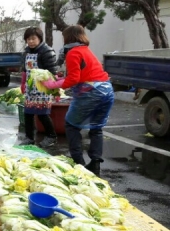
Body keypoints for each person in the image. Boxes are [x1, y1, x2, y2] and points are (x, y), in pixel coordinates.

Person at [43, 25, 114, 177]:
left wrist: (53, 84)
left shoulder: (73, 52)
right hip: (107, 90)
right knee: (96, 127)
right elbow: (84, 73)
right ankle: (95, 164)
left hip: (91, 92)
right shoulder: (86, 50)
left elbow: (74, 79)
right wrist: (62, 79)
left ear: (68, 38)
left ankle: (78, 163)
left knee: (71, 125)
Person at [20, 27, 58, 148]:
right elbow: (25, 70)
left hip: (43, 88)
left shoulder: (47, 51)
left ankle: (51, 136)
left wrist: (55, 90)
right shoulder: (26, 52)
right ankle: (29, 137)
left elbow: (53, 72)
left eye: (33, 38)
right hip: (30, 88)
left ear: (39, 38)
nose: (30, 41)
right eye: (28, 39)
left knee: (42, 113)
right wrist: (22, 84)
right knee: (28, 113)